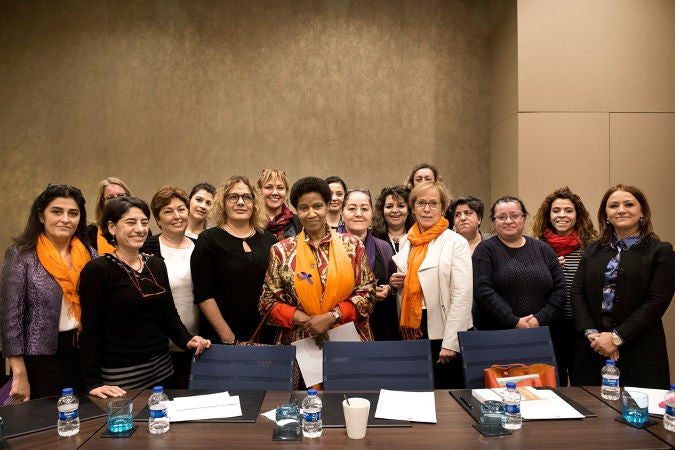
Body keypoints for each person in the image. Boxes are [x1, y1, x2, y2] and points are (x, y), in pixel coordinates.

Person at [79, 196, 210, 398]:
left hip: (163, 371)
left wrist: (187, 340)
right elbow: (90, 329)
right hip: (121, 378)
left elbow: (168, 314)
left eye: (143, 222)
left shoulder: (156, 264)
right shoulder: (97, 270)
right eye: (131, 222)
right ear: (112, 227)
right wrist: (92, 382)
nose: (139, 229)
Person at [571, 185, 674, 388]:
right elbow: (577, 291)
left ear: (642, 211)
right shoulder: (593, 249)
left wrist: (617, 337)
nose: (621, 210)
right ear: (606, 214)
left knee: (639, 415)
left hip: (639, 348)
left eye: (629, 204)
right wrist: (591, 332)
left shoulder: (661, 251)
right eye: (613, 205)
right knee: (590, 412)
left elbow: (656, 302)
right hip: (593, 347)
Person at [0, 185, 96, 401]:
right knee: (47, 425)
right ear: (41, 215)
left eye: (73, 213)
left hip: (84, 352)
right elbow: (10, 318)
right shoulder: (21, 255)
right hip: (40, 359)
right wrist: (19, 372)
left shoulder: (89, 253)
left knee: (86, 420)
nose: (66, 219)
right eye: (57, 211)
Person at [259, 177, 376, 350]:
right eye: (304, 208)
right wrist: (307, 321)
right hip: (299, 343)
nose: (311, 213)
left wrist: (332, 316)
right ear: (296, 211)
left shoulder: (352, 245)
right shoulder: (281, 251)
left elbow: (368, 292)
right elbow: (267, 302)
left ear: (328, 206)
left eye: (317, 206)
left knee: (345, 378)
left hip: (348, 338)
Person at [389, 181, 473, 388]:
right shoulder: (407, 240)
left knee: (445, 393)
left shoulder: (456, 242)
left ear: (443, 208)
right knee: (415, 390)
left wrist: (451, 342)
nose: (427, 209)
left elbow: (462, 295)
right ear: (413, 207)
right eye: (421, 203)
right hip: (412, 326)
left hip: (443, 329)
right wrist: (397, 282)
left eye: (433, 203)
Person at [191, 176, 277, 345]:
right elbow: (203, 295)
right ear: (223, 203)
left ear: (255, 203)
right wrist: (230, 339)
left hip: (264, 336)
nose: (240, 202)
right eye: (233, 197)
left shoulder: (269, 240)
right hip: (221, 339)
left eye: (247, 197)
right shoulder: (208, 240)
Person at [532, 186, 597, 386]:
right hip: (548, 324)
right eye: (556, 210)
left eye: (568, 210)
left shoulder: (592, 246)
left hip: (582, 326)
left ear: (578, 215)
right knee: (552, 384)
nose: (562, 215)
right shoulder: (536, 247)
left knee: (585, 383)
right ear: (548, 215)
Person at [472, 196, 565, 332]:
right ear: (494, 221)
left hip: (541, 331)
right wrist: (513, 321)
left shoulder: (543, 249)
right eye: (501, 217)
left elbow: (560, 289)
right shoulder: (484, 250)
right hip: (496, 334)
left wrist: (540, 319)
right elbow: (482, 291)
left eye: (514, 216)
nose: (508, 221)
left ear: (523, 218)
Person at [140, 186, 199, 388]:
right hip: (160, 348)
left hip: (197, 343)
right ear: (157, 219)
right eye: (168, 211)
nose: (177, 216)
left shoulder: (200, 247)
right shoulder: (146, 248)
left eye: (181, 209)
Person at [341, 189, 399, 341]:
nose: (359, 213)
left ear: (372, 214)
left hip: (378, 322)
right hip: (341, 323)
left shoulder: (384, 247)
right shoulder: (329, 246)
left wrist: (388, 288)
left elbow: (392, 283)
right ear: (342, 213)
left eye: (365, 209)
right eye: (352, 208)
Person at [86, 177, 132, 255]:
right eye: (110, 198)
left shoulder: (141, 229)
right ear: (102, 203)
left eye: (121, 195)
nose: (117, 200)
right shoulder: (90, 232)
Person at [257, 169, 301, 240]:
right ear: (260, 191)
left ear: (286, 192)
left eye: (280, 188)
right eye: (269, 187)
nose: (275, 192)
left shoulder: (297, 221)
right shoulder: (252, 221)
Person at [372, 185, 415, 254]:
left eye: (401, 206)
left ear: (408, 210)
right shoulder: (372, 238)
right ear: (382, 210)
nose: (395, 210)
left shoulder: (418, 237)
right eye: (389, 206)